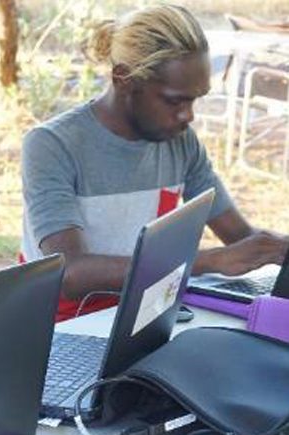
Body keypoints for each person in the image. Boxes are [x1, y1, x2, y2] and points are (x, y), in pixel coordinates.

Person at [21, 4, 289, 321]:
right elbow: (70, 273)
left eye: (195, 99)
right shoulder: (53, 144)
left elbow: (241, 238)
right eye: (175, 100)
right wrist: (208, 261)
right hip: (58, 326)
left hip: (141, 315)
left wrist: (278, 249)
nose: (188, 116)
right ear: (123, 79)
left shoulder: (180, 142)